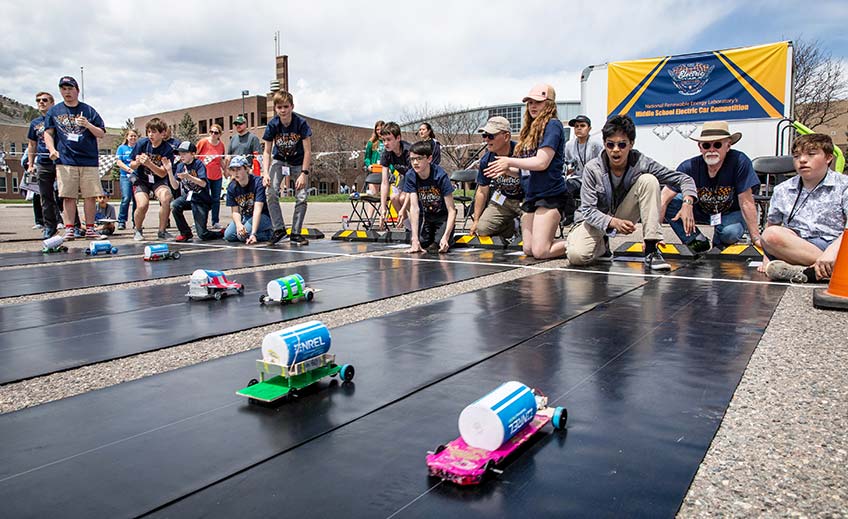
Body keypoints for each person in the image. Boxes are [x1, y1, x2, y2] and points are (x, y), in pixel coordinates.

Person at [566, 114, 698, 270]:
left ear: (631, 144)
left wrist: (688, 203)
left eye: (622, 145)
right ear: (604, 144)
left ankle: (651, 249)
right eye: (610, 145)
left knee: (649, 180)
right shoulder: (592, 168)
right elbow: (588, 210)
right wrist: (612, 222)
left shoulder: (642, 162)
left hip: (625, 213)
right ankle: (602, 247)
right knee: (577, 256)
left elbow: (684, 179)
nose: (616, 150)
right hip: (596, 220)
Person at [484, 84, 568, 259]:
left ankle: (585, 241)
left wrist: (509, 161)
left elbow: (542, 162)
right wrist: (508, 169)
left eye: (538, 102)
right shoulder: (530, 130)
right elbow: (526, 170)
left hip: (549, 195)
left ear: (549, 104)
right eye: (530, 102)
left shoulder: (553, 125)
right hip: (532, 195)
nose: (532, 106)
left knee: (540, 251)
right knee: (528, 249)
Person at [759, 133, 848, 283]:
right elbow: (772, 224)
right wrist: (767, 259)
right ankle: (827, 270)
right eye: (796, 156)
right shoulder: (783, 189)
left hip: (837, 245)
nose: (802, 160)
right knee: (770, 234)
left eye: (811, 154)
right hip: (797, 247)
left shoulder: (844, 185)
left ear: (828, 158)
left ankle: (808, 270)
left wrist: (830, 254)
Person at [661, 121, 761, 252]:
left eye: (717, 144)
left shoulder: (739, 162)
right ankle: (697, 243)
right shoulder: (689, 167)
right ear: (700, 147)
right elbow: (663, 198)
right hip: (701, 210)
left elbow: (746, 202)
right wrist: (653, 236)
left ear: (728, 145)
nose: (712, 150)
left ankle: (719, 242)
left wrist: (756, 238)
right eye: (707, 145)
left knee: (730, 232)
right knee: (672, 203)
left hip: (729, 212)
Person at [43, 76, 106, 240]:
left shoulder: (89, 110)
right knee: (68, 195)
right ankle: (70, 228)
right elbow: (48, 133)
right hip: (66, 160)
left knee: (90, 196)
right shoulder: (54, 111)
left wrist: (87, 124)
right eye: (63, 89)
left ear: (77, 90)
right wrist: (52, 149)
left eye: (70, 88)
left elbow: (101, 133)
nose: (67, 92)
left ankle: (90, 228)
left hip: (89, 160)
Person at [261, 91, 313, 245]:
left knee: (302, 196)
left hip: (298, 162)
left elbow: (308, 151)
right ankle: (279, 229)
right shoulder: (272, 125)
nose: (283, 110)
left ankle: (296, 232)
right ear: (276, 109)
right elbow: (267, 151)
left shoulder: (301, 124)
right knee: (270, 191)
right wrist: (265, 173)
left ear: (292, 107)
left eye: (286, 107)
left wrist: (304, 173)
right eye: (279, 107)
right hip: (280, 161)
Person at [470, 116, 520, 239]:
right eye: (484, 135)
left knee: (531, 233)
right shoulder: (486, 160)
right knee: (482, 229)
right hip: (502, 200)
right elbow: (482, 191)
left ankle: (523, 224)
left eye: (491, 136)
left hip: (524, 200)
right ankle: (511, 225)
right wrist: (476, 220)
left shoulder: (522, 152)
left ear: (506, 136)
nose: (486, 139)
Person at [404, 141, 456, 253]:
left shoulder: (440, 175)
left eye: (419, 159)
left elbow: (452, 210)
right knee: (421, 243)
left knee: (437, 246)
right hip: (426, 217)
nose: (415, 163)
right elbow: (414, 208)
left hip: (442, 217)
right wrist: (415, 239)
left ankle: (444, 237)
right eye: (412, 159)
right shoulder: (410, 175)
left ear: (429, 159)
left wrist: (446, 237)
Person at [129, 118, 176, 241]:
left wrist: (149, 164)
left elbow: (161, 173)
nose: (150, 135)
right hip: (141, 178)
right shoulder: (142, 143)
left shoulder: (167, 149)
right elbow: (131, 165)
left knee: (166, 197)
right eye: (149, 131)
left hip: (158, 180)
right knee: (143, 204)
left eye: (154, 132)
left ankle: (162, 231)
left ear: (162, 133)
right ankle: (138, 229)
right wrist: (138, 162)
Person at [169, 141, 223, 242]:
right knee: (174, 205)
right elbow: (175, 186)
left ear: (193, 154)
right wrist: (169, 171)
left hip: (200, 199)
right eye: (180, 154)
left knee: (202, 235)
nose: (182, 156)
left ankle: (220, 233)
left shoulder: (198, 164)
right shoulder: (180, 166)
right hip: (189, 197)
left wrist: (189, 176)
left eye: (184, 153)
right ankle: (185, 233)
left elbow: (203, 183)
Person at [27, 91, 61, 238]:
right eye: (38, 100)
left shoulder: (58, 119)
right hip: (43, 163)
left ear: (52, 103)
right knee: (46, 196)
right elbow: (31, 144)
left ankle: (75, 225)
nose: (41, 102)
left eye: (45, 100)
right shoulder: (35, 123)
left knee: (65, 195)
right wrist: (30, 164)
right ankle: (49, 226)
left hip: (60, 162)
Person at [224, 155, 273, 244]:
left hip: (263, 216)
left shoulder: (258, 183)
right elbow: (235, 211)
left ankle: (269, 233)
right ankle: (249, 232)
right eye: (233, 170)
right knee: (228, 235)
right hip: (246, 216)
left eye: (239, 169)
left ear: (246, 169)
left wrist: (253, 233)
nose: (236, 173)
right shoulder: (232, 187)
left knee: (242, 236)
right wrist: (239, 225)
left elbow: (258, 209)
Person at [379, 122, 412, 229]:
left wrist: (403, 208)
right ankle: (409, 228)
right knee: (393, 197)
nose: (385, 143)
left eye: (389, 139)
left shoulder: (409, 152)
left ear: (398, 138)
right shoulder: (386, 154)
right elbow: (384, 182)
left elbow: (413, 179)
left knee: (402, 198)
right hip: (406, 177)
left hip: (419, 178)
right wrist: (383, 208)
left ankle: (421, 223)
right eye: (383, 140)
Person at [196, 123, 226, 229]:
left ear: (219, 134)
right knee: (203, 198)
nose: (213, 134)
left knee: (216, 199)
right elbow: (195, 155)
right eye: (211, 132)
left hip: (217, 176)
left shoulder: (221, 145)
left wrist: (226, 171)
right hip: (204, 175)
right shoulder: (203, 142)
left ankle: (215, 221)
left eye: (216, 132)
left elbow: (221, 160)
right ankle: (200, 221)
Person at [564, 115, 603, 192]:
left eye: (582, 126)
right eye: (576, 126)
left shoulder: (596, 144)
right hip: (577, 179)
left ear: (589, 129)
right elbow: (568, 164)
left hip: (594, 180)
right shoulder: (569, 145)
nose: (579, 128)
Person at [115, 129, 139, 230]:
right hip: (125, 176)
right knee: (126, 198)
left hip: (137, 177)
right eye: (131, 136)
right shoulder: (122, 148)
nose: (133, 138)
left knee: (136, 200)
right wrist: (129, 169)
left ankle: (136, 221)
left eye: (135, 136)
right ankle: (121, 221)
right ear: (127, 137)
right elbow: (118, 162)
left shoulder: (139, 148)